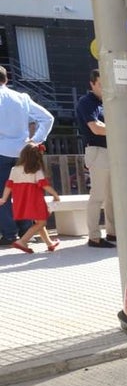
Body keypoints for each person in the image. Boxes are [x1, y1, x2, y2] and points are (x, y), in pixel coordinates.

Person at [0, 65, 53, 246]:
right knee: (24, 191)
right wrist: (35, 141)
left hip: (1, 151)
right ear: (6, 80)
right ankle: (25, 229)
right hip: (22, 151)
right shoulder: (22, 98)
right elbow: (48, 118)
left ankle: (9, 234)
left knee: (3, 194)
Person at [74, 70, 116, 248]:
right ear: (92, 84)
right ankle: (94, 236)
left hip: (110, 151)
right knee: (98, 196)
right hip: (98, 151)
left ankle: (112, 232)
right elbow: (95, 128)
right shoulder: (87, 102)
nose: (105, 87)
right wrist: (120, 127)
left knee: (112, 197)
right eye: (101, 84)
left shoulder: (106, 101)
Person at [0, 142, 60, 252]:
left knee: (39, 222)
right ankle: (22, 241)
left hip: (22, 201)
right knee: (41, 222)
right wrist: (55, 195)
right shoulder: (36, 170)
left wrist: (4, 198)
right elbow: (44, 184)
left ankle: (49, 243)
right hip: (35, 200)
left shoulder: (15, 169)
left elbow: (9, 185)